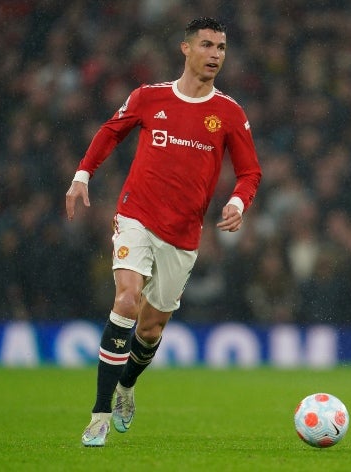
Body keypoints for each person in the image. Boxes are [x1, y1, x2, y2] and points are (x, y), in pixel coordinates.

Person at [65, 17, 262, 447]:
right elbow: (110, 132)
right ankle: (98, 414)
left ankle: (126, 387)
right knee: (126, 299)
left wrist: (236, 202)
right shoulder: (149, 97)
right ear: (186, 49)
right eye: (207, 45)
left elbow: (249, 172)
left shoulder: (229, 113)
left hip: (184, 233)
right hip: (136, 215)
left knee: (151, 329)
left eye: (222, 48)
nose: (215, 55)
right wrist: (82, 175)